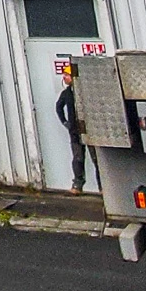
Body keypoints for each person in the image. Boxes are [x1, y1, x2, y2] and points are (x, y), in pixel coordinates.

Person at [54, 63, 88, 193]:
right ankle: (77, 185)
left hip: (88, 129)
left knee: (97, 158)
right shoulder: (66, 93)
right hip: (75, 131)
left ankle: (103, 187)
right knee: (78, 158)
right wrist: (65, 122)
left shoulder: (84, 90)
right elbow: (59, 107)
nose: (64, 77)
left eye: (67, 75)